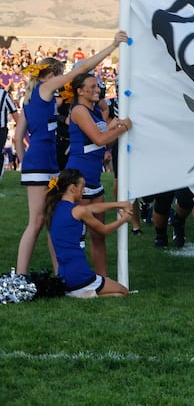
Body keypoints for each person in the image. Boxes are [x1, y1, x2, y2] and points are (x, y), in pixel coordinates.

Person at [14, 30, 128, 276]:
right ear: (52, 74)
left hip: (42, 163)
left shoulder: (31, 98)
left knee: (48, 221)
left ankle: (60, 274)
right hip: (43, 165)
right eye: (60, 74)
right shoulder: (46, 87)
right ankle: (20, 276)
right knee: (36, 222)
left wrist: (26, 165)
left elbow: (17, 137)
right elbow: (81, 70)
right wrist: (111, 47)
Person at [63, 72, 132, 276]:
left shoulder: (93, 111)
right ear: (80, 91)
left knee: (98, 234)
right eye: (91, 87)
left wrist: (113, 129)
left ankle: (102, 278)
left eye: (97, 86)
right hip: (79, 179)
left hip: (94, 179)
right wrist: (123, 128)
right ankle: (77, 277)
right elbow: (99, 140)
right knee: (79, 235)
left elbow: (103, 143)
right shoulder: (79, 110)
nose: (97, 89)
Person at [43, 168, 132, 298]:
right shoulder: (79, 211)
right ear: (73, 188)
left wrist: (119, 204)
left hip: (64, 277)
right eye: (82, 186)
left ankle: (81, 294)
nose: (84, 191)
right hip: (80, 276)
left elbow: (93, 208)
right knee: (123, 292)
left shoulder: (56, 207)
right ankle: (86, 294)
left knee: (117, 292)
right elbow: (104, 230)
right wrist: (124, 219)